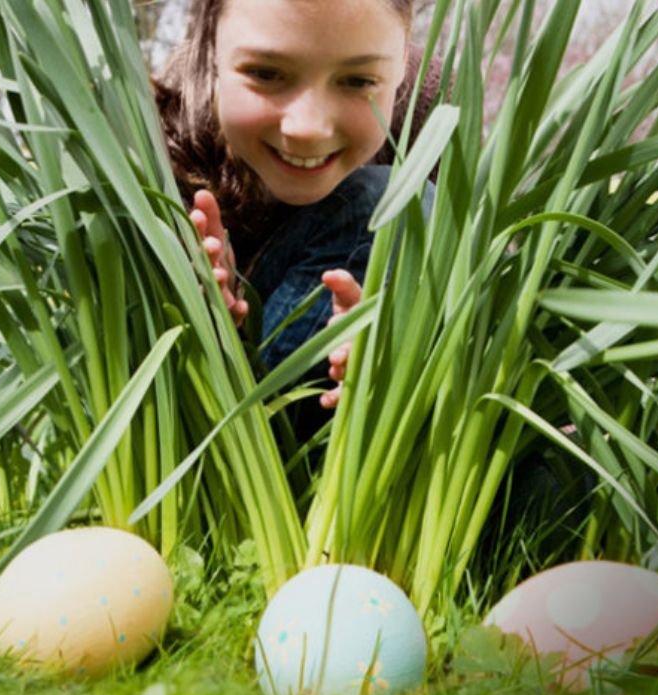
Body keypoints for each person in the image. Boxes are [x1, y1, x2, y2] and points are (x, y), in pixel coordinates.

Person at [152, 0, 441, 417]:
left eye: (358, 81)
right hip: (220, 405)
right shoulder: (163, 129)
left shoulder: (431, 107)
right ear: (210, 48)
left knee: (398, 200)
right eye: (266, 74)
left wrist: (410, 353)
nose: (307, 128)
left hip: (361, 420)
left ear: (400, 63)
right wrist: (197, 312)